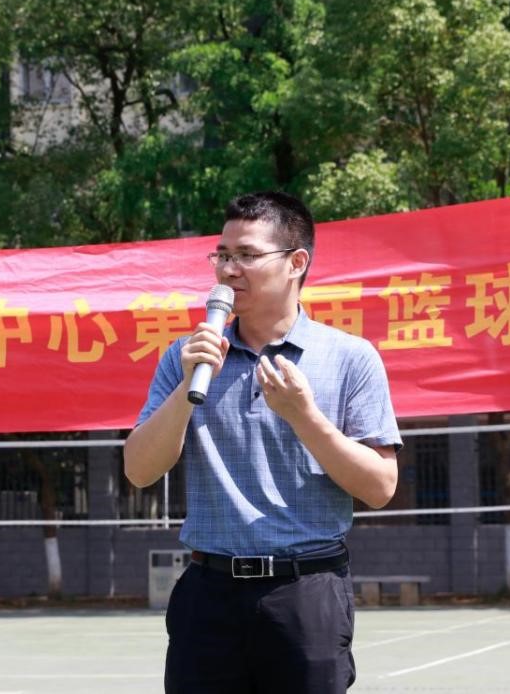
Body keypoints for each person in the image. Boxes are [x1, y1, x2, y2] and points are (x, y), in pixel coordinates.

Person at [125, 191, 402, 694]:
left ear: (296, 263)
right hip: (207, 595)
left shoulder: (349, 358)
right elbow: (139, 470)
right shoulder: (186, 356)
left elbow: (380, 487)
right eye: (222, 255)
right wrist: (188, 388)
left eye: (248, 255)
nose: (229, 270)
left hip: (306, 593)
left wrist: (305, 416)